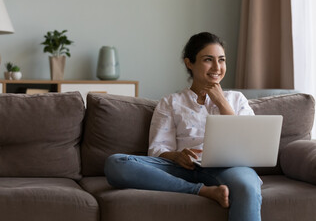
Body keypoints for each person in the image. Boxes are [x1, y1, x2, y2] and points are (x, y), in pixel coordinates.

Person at [104, 32, 262, 221]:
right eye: (208, 60)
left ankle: (203, 188)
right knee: (117, 164)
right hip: (181, 169)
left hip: (228, 168)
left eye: (221, 60)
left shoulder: (236, 99)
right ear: (189, 63)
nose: (217, 67)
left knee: (247, 187)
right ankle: (202, 191)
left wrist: (222, 103)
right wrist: (177, 156)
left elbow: (248, 145)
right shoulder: (171, 102)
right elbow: (157, 149)